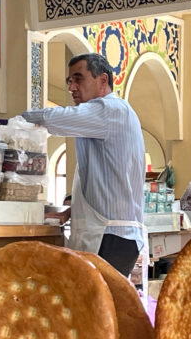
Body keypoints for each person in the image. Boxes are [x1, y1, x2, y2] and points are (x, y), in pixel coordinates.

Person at [22, 54, 144, 276]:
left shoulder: (110, 109)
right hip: (108, 232)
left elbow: (54, 119)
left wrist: (14, 121)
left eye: (79, 79)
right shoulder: (103, 117)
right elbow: (101, 178)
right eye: (69, 81)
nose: (72, 87)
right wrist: (73, 210)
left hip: (111, 235)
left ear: (103, 80)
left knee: (98, 307)